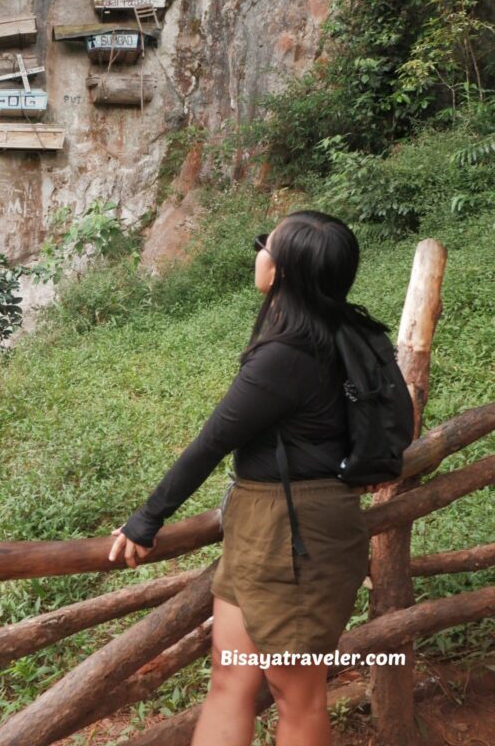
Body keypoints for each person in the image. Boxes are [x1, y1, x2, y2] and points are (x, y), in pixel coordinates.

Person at [109, 210, 386, 746]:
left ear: (283, 271)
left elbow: (212, 442)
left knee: (296, 696)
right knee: (230, 677)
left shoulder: (286, 356)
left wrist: (146, 519)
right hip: (267, 523)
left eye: (267, 245)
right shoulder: (347, 331)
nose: (259, 252)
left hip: (294, 531)